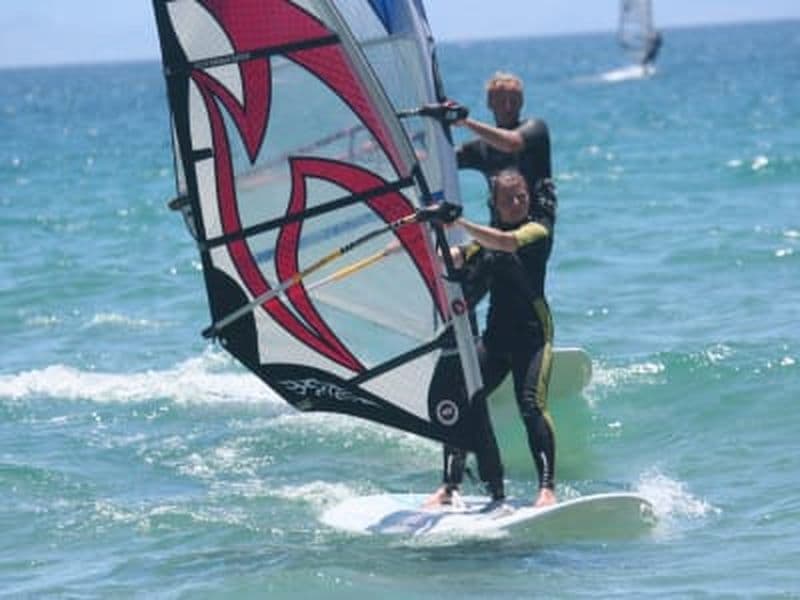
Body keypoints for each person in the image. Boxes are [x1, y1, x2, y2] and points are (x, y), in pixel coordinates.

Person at [425, 168, 558, 509]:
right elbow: (451, 258)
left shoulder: (537, 230)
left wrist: (461, 223)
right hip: (496, 341)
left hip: (533, 340)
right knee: (459, 396)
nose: (516, 203)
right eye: (508, 199)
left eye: (521, 197)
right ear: (495, 204)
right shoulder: (484, 240)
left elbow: (506, 242)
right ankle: (450, 485)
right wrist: (429, 236)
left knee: (531, 406)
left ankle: (546, 488)